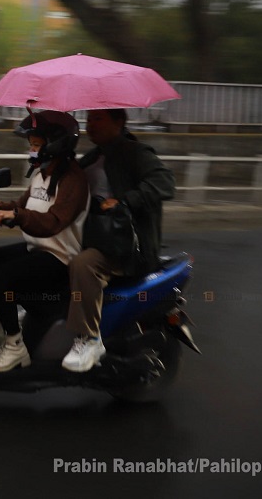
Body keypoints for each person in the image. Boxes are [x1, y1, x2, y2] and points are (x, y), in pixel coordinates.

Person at [0, 110, 89, 373]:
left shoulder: (73, 180)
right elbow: (21, 206)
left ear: (56, 145)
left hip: (60, 258)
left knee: (0, 277)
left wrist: (15, 215)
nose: (32, 150)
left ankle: (15, 347)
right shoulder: (41, 173)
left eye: (37, 144)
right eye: (31, 145)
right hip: (36, 248)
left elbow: (52, 221)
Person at [61, 108, 176, 373]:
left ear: (120, 121)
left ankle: (89, 338)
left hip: (126, 246)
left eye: (98, 119)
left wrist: (126, 201)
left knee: (83, 264)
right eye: (88, 119)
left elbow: (166, 182)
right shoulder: (92, 157)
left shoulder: (134, 153)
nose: (91, 124)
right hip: (97, 237)